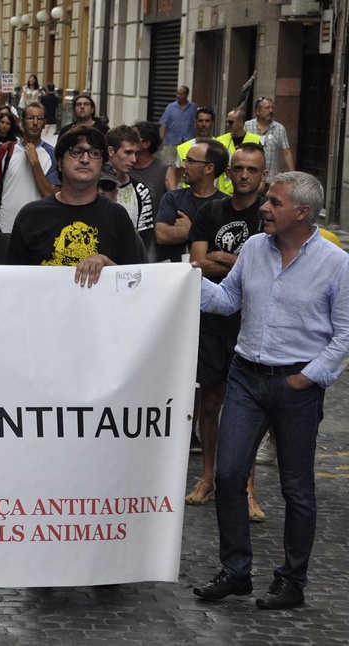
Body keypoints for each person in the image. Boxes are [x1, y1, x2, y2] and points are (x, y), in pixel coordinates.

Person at [191, 171, 349, 611]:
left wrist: (307, 377)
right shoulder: (255, 249)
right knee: (228, 474)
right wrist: (185, 280)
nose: (263, 207)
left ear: (302, 212)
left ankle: (292, 581)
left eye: (275, 202)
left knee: (296, 487)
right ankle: (236, 572)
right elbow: (227, 301)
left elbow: (344, 334)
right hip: (245, 376)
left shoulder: (336, 263)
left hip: (298, 383)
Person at [185, 144, 268, 523]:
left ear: (263, 175)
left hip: (252, 322)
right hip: (213, 322)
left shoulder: (268, 214)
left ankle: (247, 487)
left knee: (248, 407)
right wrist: (239, 264)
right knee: (210, 402)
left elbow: (266, 269)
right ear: (228, 172)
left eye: (252, 169)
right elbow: (197, 265)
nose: (244, 175)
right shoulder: (211, 212)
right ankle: (208, 478)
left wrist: (224, 258)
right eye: (239, 168)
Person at [7, 126, 143, 285]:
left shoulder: (117, 216)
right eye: (76, 152)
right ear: (59, 163)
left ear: (102, 166)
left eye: (94, 154)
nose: (85, 159)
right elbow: (11, 281)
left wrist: (106, 263)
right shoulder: (31, 215)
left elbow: (135, 282)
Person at [0, 103, 59, 234]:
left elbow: (50, 196)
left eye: (40, 119)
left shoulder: (52, 154)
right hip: (5, 227)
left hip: (37, 229)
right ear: (22, 122)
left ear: (44, 123)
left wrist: (35, 163)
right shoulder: (7, 149)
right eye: (30, 118)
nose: (35, 123)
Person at [155, 138, 227, 263]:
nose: (183, 165)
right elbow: (162, 235)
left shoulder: (226, 205)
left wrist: (189, 230)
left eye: (190, 161)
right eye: (185, 160)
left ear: (209, 168)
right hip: (175, 272)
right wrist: (203, 234)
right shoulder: (172, 198)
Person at [105, 125, 155, 251]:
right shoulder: (90, 186)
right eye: (128, 152)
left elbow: (144, 240)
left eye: (136, 153)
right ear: (111, 151)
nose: (134, 159)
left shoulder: (141, 191)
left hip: (129, 260)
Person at [167, 107, 217, 191]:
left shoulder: (220, 148)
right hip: (188, 195)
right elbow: (176, 175)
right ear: (195, 123)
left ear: (212, 123)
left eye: (207, 121)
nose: (203, 124)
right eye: (200, 121)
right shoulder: (183, 148)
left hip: (214, 194)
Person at [214, 108, 262, 195]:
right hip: (223, 192)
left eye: (231, 122)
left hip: (247, 190)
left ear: (241, 123)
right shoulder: (220, 141)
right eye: (227, 122)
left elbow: (261, 166)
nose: (227, 125)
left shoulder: (256, 140)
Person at [245, 96, 294, 179]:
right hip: (250, 177)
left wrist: (293, 174)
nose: (271, 111)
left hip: (271, 178)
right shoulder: (247, 126)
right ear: (257, 111)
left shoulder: (279, 128)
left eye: (272, 108)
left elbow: (287, 152)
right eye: (267, 108)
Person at [129, 121, 169, 215]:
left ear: (146, 143)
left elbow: (174, 203)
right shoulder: (124, 166)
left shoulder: (165, 170)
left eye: (133, 138)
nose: (128, 141)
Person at [159, 85, 197, 167]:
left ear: (186, 95)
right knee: (169, 165)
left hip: (187, 142)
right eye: (177, 93)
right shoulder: (170, 107)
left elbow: (196, 123)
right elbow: (163, 124)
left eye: (181, 94)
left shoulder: (193, 107)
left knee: (185, 166)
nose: (178, 96)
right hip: (171, 142)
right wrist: (161, 141)